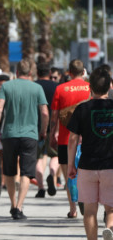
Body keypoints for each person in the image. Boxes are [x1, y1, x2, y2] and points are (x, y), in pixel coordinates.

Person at [0, 59, 49, 220]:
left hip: (9, 134)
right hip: (30, 135)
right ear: (30, 73)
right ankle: (20, 207)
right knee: (26, 172)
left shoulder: (7, 86)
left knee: (9, 171)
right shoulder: (37, 88)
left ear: (16, 73)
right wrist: (43, 130)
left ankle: (12, 203)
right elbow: (44, 112)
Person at [67, 67, 113, 240]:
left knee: (90, 210)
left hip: (87, 166)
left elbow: (72, 139)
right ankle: (110, 227)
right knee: (111, 209)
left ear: (90, 87)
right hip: (111, 166)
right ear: (109, 86)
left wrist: (71, 165)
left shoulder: (82, 109)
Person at [50, 59, 90, 218]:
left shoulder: (60, 89)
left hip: (66, 139)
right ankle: (86, 203)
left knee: (69, 175)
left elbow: (54, 116)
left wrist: (53, 133)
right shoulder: (90, 88)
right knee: (87, 175)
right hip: (88, 139)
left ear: (69, 72)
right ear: (83, 72)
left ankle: (73, 208)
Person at [34, 63, 59, 198]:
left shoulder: (33, 86)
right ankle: (52, 173)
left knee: (38, 157)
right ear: (50, 74)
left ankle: (41, 188)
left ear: (37, 73)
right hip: (53, 127)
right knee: (55, 155)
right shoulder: (57, 87)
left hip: (36, 127)